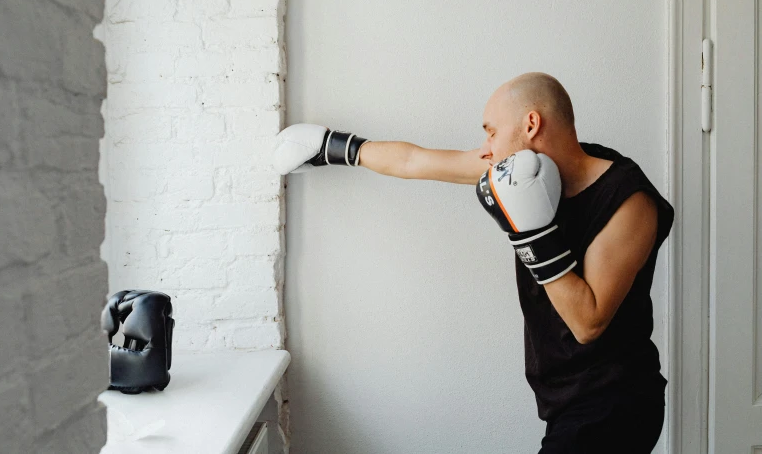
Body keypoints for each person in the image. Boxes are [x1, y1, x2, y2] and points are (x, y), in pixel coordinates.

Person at [273, 72, 673, 454]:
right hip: (566, 399)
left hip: (618, 401)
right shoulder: (523, 174)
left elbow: (588, 322)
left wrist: (530, 233)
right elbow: (416, 161)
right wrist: (335, 147)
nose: (485, 148)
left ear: (531, 124)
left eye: (492, 131)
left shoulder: (629, 202)